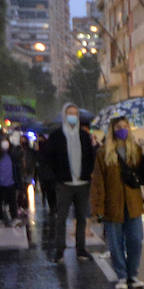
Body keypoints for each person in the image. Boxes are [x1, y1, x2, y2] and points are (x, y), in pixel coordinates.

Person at [90, 116, 144, 289]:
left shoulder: (136, 150)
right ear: (112, 130)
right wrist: (98, 208)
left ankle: (133, 274)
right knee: (115, 243)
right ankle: (122, 275)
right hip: (112, 204)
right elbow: (98, 182)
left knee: (135, 240)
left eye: (125, 126)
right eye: (118, 127)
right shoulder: (103, 153)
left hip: (133, 203)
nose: (122, 130)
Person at [42, 104, 97, 261]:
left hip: (82, 183)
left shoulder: (84, 135)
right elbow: (48, 158)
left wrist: (88, 174)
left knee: (81, 217)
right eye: (70, 114)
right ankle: (60, 249)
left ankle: (81, 249)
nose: (73, 117)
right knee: (61, 218)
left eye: (75, 114)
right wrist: (56, 177)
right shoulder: (57, 136)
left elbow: (90, 157)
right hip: (64, 183)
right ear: (64, 116)